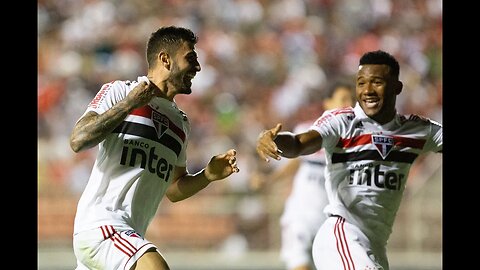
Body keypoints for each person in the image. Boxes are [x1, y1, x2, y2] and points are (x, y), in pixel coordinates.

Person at [69, 26, 239, 270]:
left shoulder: (180, 123)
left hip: (127, 235)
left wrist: (208, 176)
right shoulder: (120, 92)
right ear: (165, 59)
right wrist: (129, 104)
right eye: (190, 58)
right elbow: (78, 140)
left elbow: (173, 189)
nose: (197, 68)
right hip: (103, 226)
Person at [256, 50, 442, 270]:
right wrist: (275, 140)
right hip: (342, 235)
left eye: (377, 82)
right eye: (361, 83)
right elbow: (299, 143)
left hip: (375, 245)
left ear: (397, 87)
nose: (368, 90)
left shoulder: (416, 130)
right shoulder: (342, 122)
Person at [252, 82, 355, 270]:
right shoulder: (311, 133)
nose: (348, 105)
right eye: (343, 99)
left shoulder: (357, 142)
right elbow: (294, 162)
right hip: (302, 216)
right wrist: (270, 180)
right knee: (300, 264)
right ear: (327, 103)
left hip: (334, 221)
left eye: (351, 101)